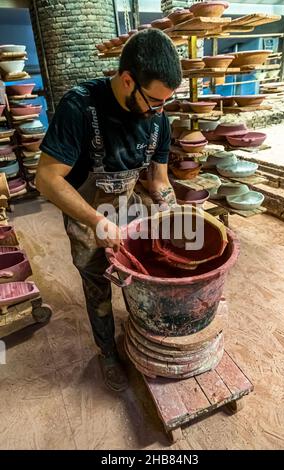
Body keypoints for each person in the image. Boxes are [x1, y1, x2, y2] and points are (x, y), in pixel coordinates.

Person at [36, 28, 182, 392]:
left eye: (166, 103)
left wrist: (177, 216)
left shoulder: (158, 118)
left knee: (139, 274)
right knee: (99, 284)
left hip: (128, 205)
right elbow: (47, 179)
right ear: (128, 80)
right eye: (154, 101)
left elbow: (160, 181)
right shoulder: (80, 106)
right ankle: (106, 352)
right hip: (88, 210)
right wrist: (99, 223)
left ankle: (138, 332)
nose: (159, 112)